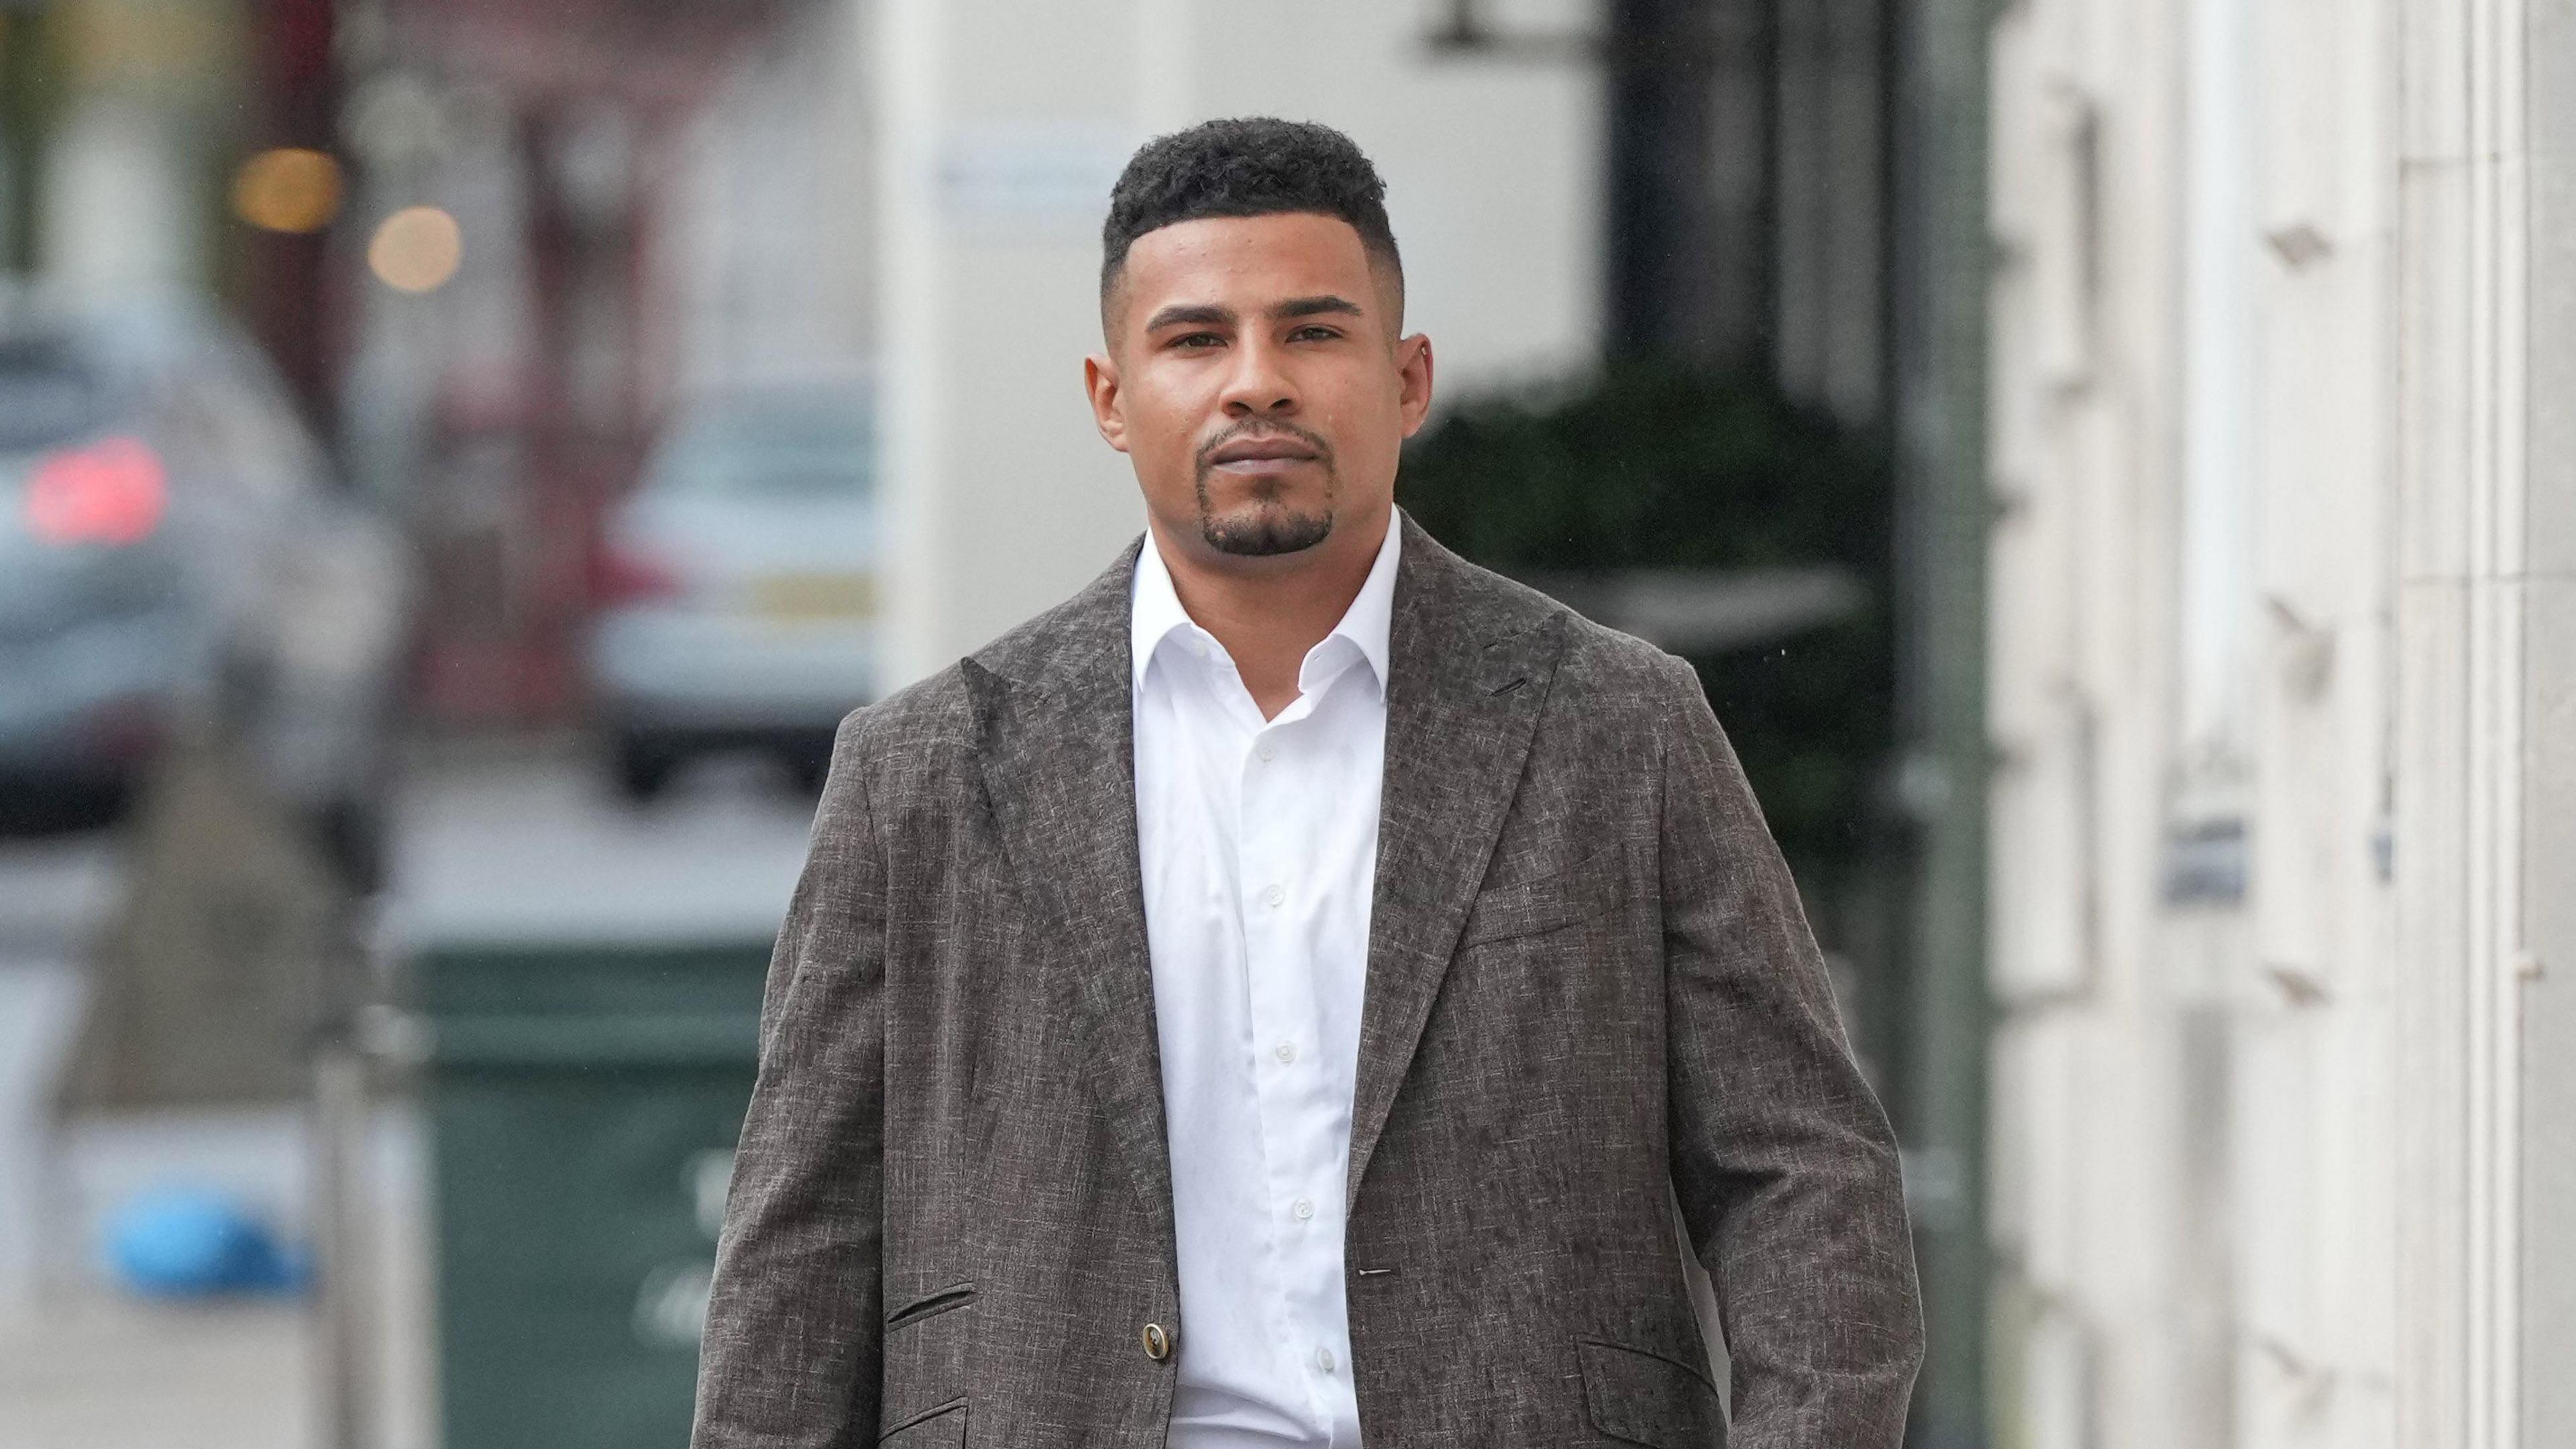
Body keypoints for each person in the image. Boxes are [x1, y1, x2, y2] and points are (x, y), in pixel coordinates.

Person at [690, 117, 1921, 1449]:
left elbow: (1803, 1175)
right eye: (1197, 340)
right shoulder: (926, 772)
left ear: (1407, 381)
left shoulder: (1615, 726)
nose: (1257, 384)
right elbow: (802, 1248)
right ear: (1112, 397)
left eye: (1313, 333)